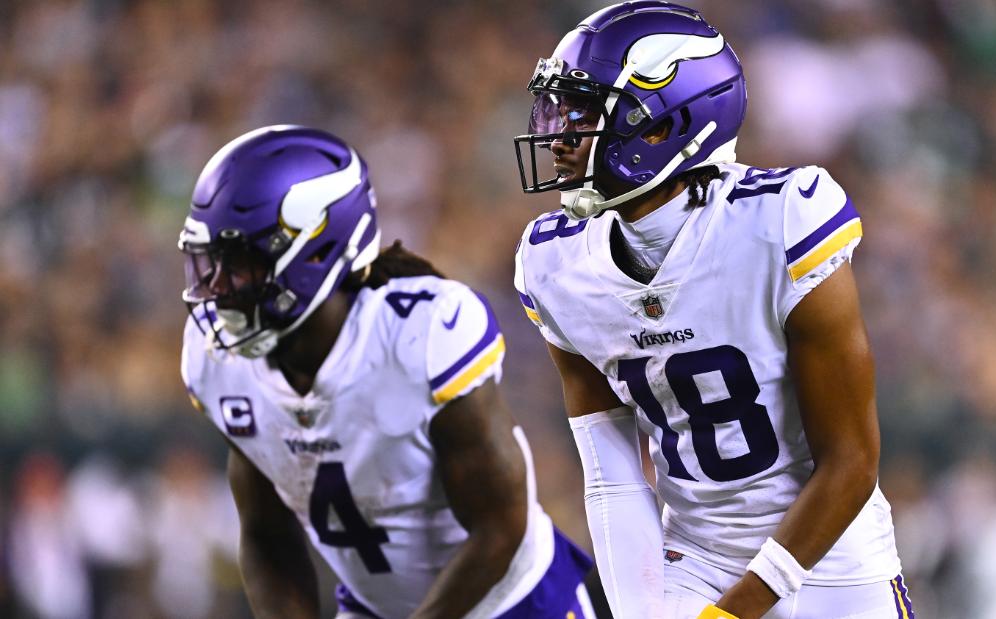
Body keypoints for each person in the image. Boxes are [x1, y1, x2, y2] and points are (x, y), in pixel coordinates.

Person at [512, 3, 915, 619]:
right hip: (694, 556)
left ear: (662, 125)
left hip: (830, 557)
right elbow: (614, 477)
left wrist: (737, 610)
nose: (559, 135)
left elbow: (852, 462)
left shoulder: (780, 223)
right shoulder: (556, 265)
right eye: (558, 108)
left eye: (584, 112)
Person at [178, 125, 594, 619]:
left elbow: (502, 524)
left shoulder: (419, 335)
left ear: (315, 251)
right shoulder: (219, 361)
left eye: (240, 265)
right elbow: (268, 536)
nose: (218, 289)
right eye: (209, 266)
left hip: (512, 603)